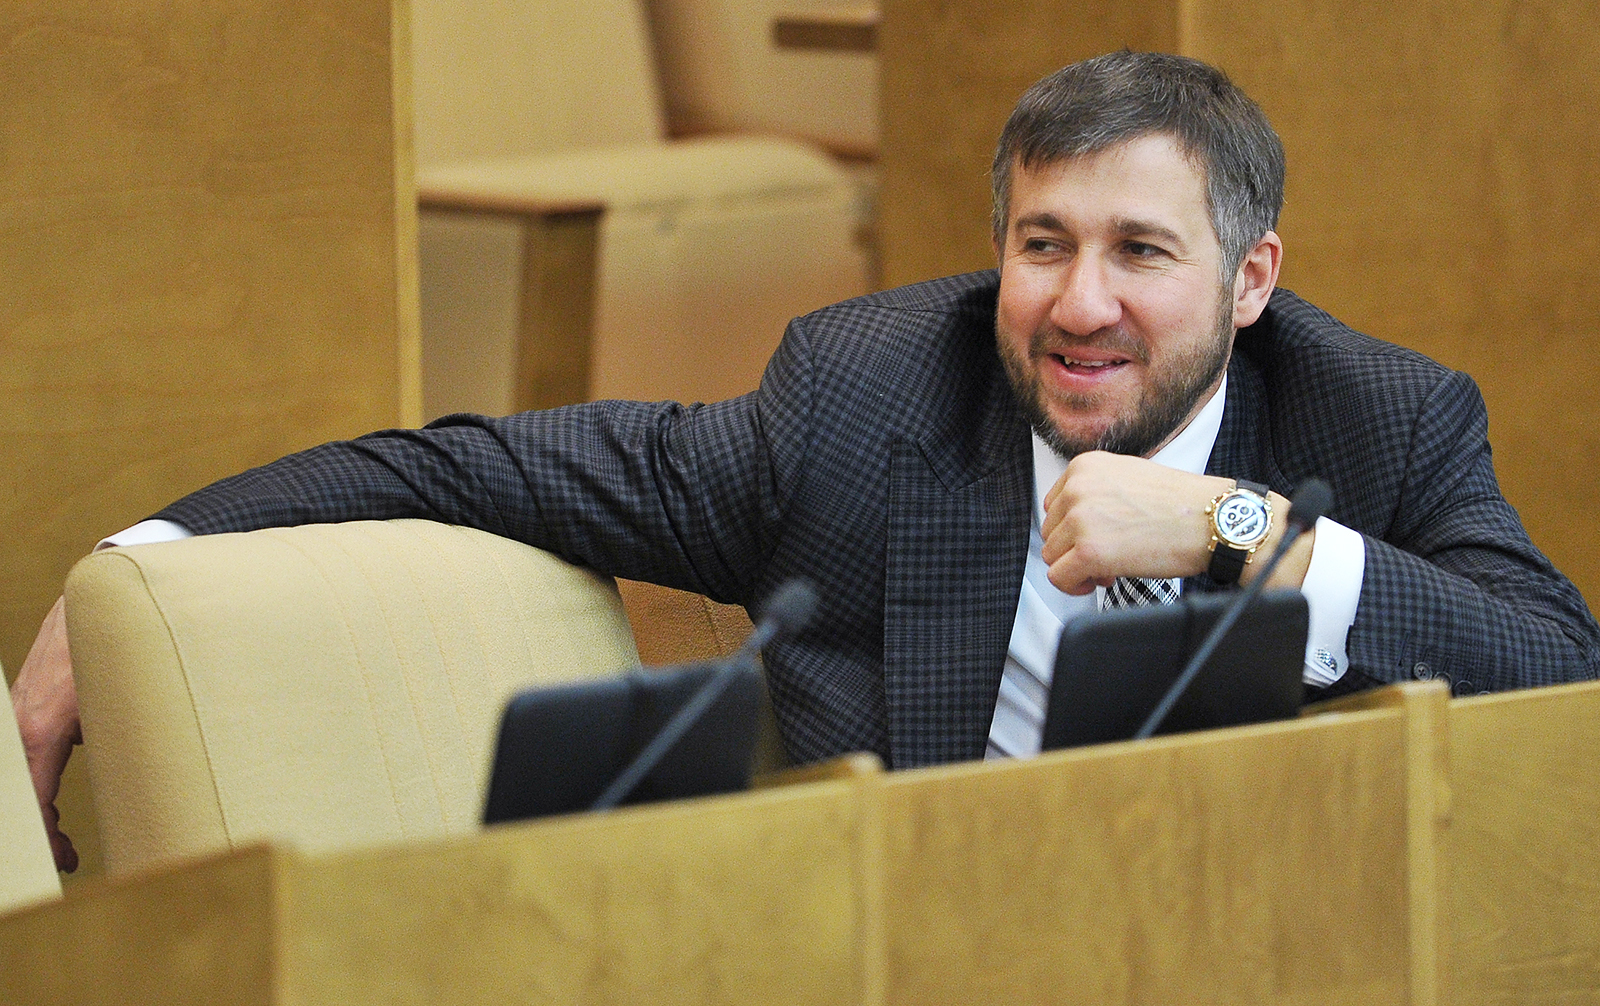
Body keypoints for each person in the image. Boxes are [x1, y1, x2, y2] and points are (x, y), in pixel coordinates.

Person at [13, 51, 1599, 871]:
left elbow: (1560, 671)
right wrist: (131, 573)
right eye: (1042, 244)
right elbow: (478, 467)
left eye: (1140, 251)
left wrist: (1237, 527)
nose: (1079, 304)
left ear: (1252, 281)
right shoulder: (863, 404)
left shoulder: (1377, 419)